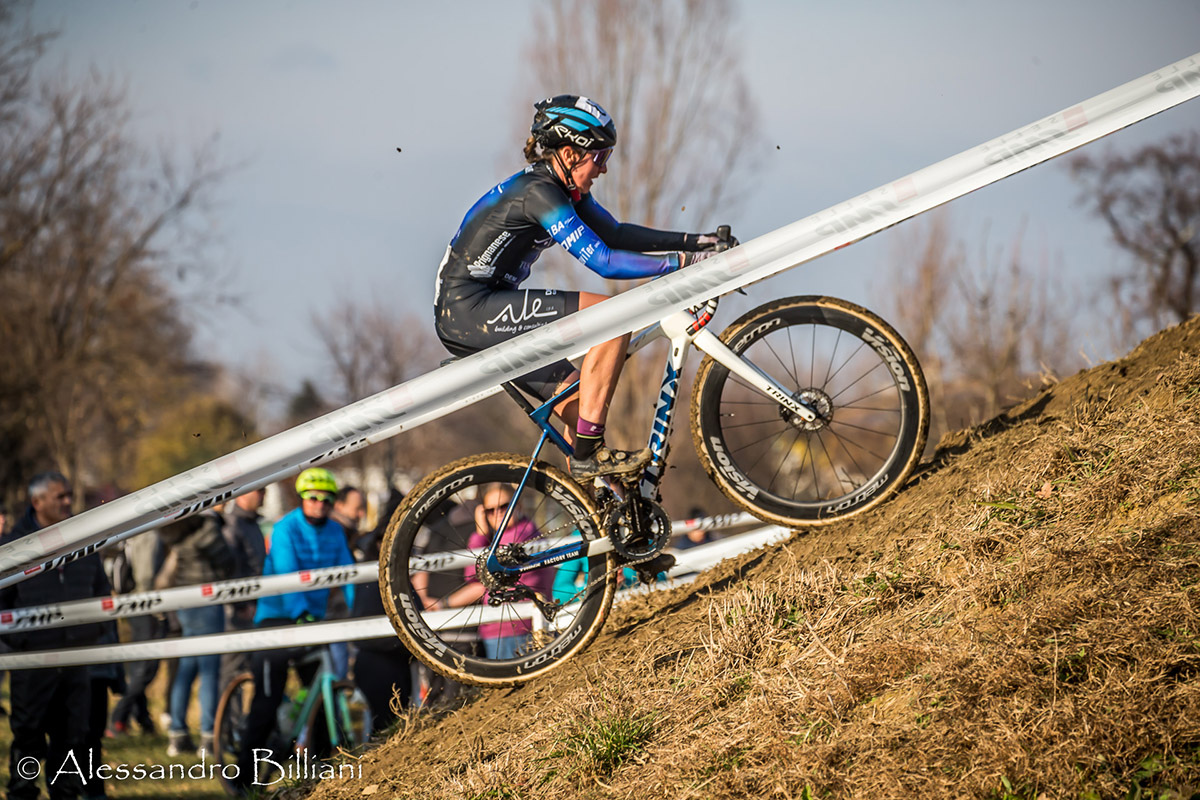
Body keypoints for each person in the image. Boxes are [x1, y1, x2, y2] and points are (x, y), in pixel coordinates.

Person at [433, 94, 731, 480]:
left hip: (479, 311)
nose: (604, 170)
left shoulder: (560, 187)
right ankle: (590, 459)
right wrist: (681, 264)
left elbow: (616, 233)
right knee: (615, 318)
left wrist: (697, 243)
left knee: (581, 404)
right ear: (572, 153)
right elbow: (603, 261)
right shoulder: (540, 194)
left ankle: (598, 502)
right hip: (469, 311)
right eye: (601, 158)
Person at [232, 468, 356, 794]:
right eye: (313, 497)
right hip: (277, 618)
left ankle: (318, 777)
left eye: (326, 499)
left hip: (311, 620)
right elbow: (288, 573)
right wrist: (299, 611)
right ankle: (242, 776)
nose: (319, 503)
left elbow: (348, 572)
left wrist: (358, 613)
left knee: (321, 698)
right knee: (267, 700)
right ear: (302, 498)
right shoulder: (285, 527)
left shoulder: (335, 532)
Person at [0, 472, 110, 800]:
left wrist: (94, 630)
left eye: (68, 495)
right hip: (32, 657)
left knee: (73, 734)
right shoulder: (13, 547)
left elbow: (101, 589)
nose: (67, 502)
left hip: (77, 656)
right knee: (28, 733)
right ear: (37, 502)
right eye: (59, 496)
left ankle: (66, 792)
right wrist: (22, 642)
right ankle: (22, 790)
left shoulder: (82, 540)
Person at [429, 484, 553, 660]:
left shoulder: (521, 533)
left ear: (518, 506)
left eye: (504, 506)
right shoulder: (505, 535)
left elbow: (475, 574)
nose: (498, 513)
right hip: (502, 626)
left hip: (513, 626)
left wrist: (480, 533)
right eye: (490, 510)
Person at [158, 509, 236, 757]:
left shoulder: (182, 530)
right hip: (207, 602)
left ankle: (177, 733)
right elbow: (226, 560)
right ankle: (208, 737)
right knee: (209, 670)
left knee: (187, 667)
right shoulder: (208, 527)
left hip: (185, 603)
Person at [349, 500, 412, 733]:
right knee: (383, 727)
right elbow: (366, 630)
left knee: (397, 723)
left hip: (398, 660)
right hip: (376, 661)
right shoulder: (371, 574)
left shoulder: (399, 572)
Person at [108, 531, 165, 737]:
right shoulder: (150, 535)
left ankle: (141, 719)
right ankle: (118, 717)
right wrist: (156, 608)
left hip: (135, 605)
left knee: (140, 666)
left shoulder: (138, 533)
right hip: (146, 606)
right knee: (147, 667)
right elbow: (146, 576)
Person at [220, 488, 267, 687]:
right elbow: (231, 568)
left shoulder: (252, 523)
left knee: (251, 667)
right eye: (259, 490)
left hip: (253, 604)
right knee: (232, 672)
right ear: (241, 494)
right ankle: (227, 718)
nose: (264, 495)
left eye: (265, 490)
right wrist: (241, 604)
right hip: (239, 608)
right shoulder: (233, 524)